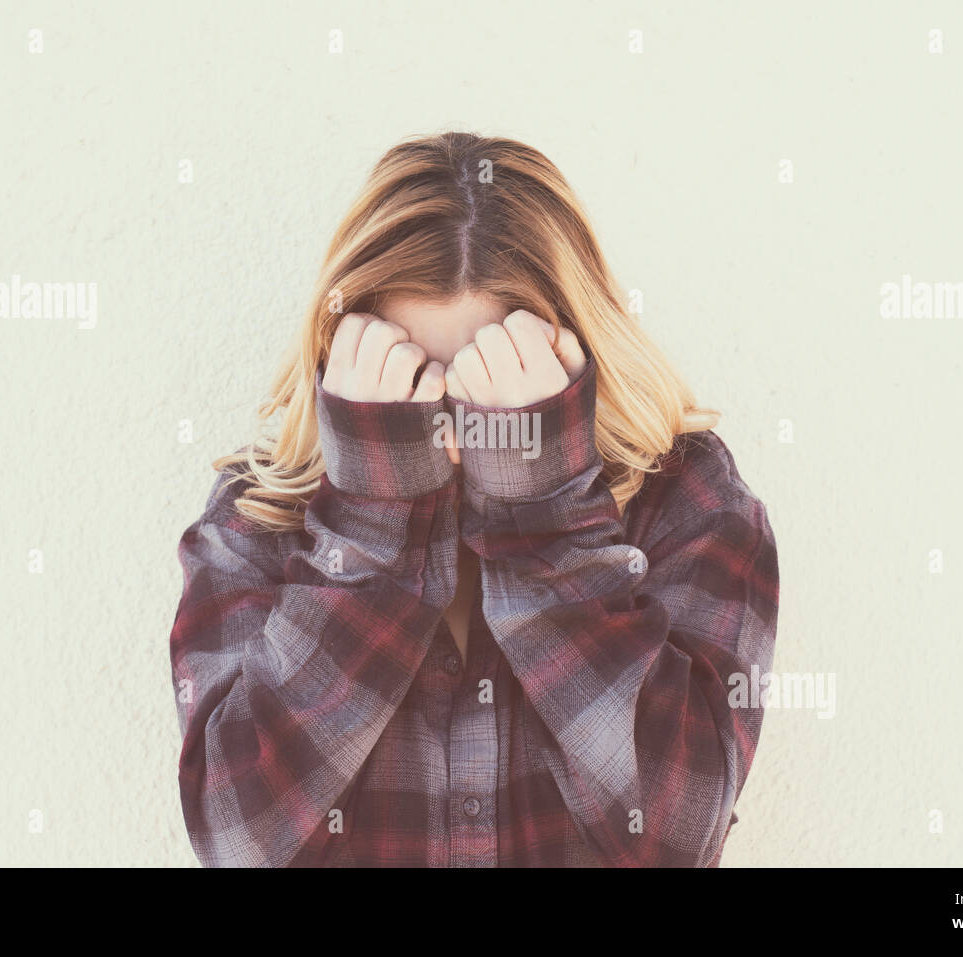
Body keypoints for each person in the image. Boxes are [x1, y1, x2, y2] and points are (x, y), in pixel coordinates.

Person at [168, 131, 780, 867]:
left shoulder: (687, 503)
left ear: (576, 355)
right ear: (340, 356)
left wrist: (545, 511)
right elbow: (238, 841)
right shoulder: (256, 518)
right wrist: (371, 521)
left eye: (496, 378)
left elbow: (678, 833)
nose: (453, 429)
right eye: (412, 376)